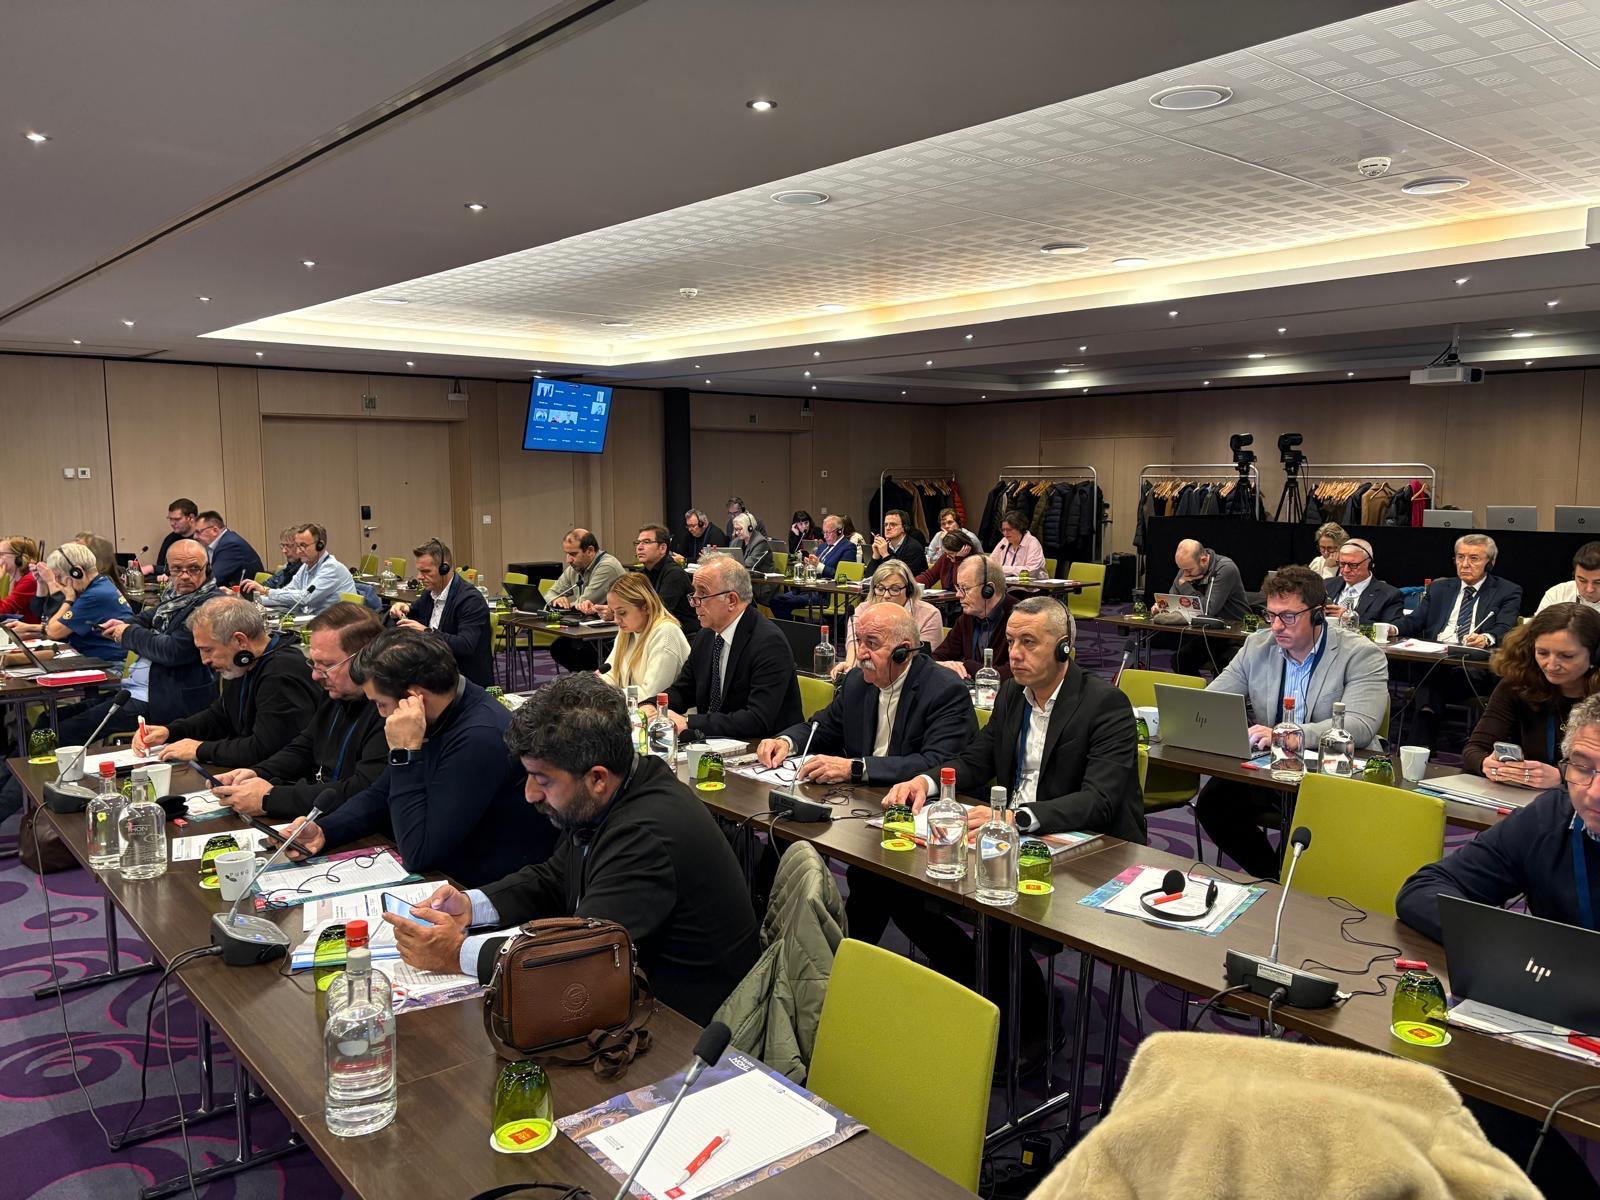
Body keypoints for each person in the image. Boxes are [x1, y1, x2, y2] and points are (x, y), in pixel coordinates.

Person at [381, 674, 760, 1024]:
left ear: (597, 778)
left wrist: (456, 952)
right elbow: (555, 877)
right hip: (633, 997)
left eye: (542, 779)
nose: (529, 794)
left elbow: (576, 959)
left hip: (684, 1027)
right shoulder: (616, 788)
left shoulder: (645, 836)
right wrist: (470, 905)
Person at [877, 598, 1144, 1050]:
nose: (1014, 654)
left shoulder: (1105, 704)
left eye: (1028, 643)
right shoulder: (1010, 695)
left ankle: (1031, 1030)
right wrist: (926, 781)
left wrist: (1016, 818)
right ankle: (985, 991)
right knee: (900, 884)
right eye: (1011, 641)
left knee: (998, 906)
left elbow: (1098, 801)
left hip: (1091, 849)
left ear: (1064, 648)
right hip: (1012, 836)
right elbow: (977, 760)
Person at [1395, 693, 1600, 1199]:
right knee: (1443, 1089)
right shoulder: (1551, 817)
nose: (1594, 792)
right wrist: (1505, 941)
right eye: (1583, 767)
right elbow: (1423, 890)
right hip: (1557, 1016)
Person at [283, 630, 556, 887]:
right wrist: (324, 830)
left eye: (381, 703)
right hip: (452, 869)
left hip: (483, 885)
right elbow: (380, 794)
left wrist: (404, 754)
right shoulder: (442, 710)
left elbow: (418, 853)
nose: (380, 714)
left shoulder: (480, 737)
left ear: (413, 698)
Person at [1194, 566, 1389, 879]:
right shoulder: (1257, 646)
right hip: (1274, 766)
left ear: (1317, 614)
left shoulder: (1361, 654)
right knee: (1213, 804)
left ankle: (1287, 882)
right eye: (1270, 615)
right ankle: (1273, 877)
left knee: (1304, 819)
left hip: (1333, 768)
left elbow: (1360, 726)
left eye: (1287, 616)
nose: (1275, 626)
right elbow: (1213, 700)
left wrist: (1288, 734)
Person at [758, 603, 975, 785]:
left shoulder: (944, 690)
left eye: (872, 643)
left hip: (920, 804)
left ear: (903, 652)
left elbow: (936, 763)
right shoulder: (857, 681)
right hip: (863, 797)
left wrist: (855, 768)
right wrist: (786, 742)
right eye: (859, 641)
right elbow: (822, 728)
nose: (861, 653)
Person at [212, 603, 387, 819]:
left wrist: (270, 798)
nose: (315, 675)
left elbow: (362, 790)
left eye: (327, 664)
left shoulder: (387, 710)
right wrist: (257, 772)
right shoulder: (338, 693)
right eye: (314, 663)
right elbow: (305, 745)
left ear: (364, 661)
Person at [136, 594, 321, 767]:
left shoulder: (280, 674)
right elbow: (220, 716)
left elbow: (265, 749)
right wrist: (170, 732)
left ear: (240, 641)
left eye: (208, 650)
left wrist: (200, 750)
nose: (204, 660)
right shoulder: (242, 663)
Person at [651, 555, 803, 741]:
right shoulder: (706, 635)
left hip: (766, 746)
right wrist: (652, 706)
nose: (693, 602)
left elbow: (757, 719)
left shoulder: (768, 643)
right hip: (719, 742)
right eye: (694, 593)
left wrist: (690, 722)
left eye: (702, 594)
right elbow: (684, 690)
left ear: (731, 600)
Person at [1395, 534, 1523, 748]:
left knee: (1430, 682)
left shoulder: (1507, 591)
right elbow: (1415, 621)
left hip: (1472, 667)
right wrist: (1393, 628)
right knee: (1431, 673)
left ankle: (1419, 741)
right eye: (1460, 557)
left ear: (1490, 563)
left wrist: (1486, 638)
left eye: (1474, 558)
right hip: (1434, 660)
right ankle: (1425, 739)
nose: (1465, 564)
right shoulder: (1439, 588)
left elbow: (1505, 627)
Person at [1462, 602, 1600, 785]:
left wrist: (1563, 776)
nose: (1551, 665)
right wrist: (1486, 764)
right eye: (1542, 653)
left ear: (1595, 655)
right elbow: (1474, 749)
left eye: (1566, 656)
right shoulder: (1519, 683)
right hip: (1526, 795)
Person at [387, 538, 492, 686]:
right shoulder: (430, 592)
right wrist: (402, 609)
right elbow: (415, 611)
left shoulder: (470, 600)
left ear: (444, 568)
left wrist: (427, 632)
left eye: (426, 571)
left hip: (462, 681)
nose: (419, 577)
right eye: (419, 571)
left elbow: (465, 645)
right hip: (433, 673)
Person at [11, 542, 129, 665]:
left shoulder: (94, 596)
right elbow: (61, 624)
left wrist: (69, 599)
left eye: (59, 576)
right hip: (98, 658)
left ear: (77, 572)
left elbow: (53, 632)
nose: (58, 582)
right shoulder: (99, 584)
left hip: (112, 664)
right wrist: (29, 628)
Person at [829, 560, 942, 681]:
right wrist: (849, 666)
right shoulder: (863, 610)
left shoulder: (929, 615)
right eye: (880, 588)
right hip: (868, 675)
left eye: (895, 589)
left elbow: (921, 661)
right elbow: (854, 645)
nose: (886, 595)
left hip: (910, 680)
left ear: (909, 590)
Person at [597, 571, 691, 698]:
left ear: (646, 607)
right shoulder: (627, 631)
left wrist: (606, 696)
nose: (616, 620)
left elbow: (651, 694)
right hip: (634, 707)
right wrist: (595, 688)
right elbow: (611, 673)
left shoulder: (666, 632)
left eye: (622, 612)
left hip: (663, 710)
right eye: (613, 612)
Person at [1164, 539, 1250, 676]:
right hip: (1210, 633)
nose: (1184, 574)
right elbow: (1172, 598)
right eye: (1181, 569)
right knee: (1180, 660)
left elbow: (1207, 610)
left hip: (1234, 634)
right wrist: (1162, 607)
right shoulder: (1187, 566)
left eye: (1188, 570)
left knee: (1223, 665)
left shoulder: (1225, 568)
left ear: (1203, 560)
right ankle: (1200, 690)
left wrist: (1185, 585)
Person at [548, 527, 627, 673]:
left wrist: (565, 605)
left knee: (564, 648)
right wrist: (557, 600)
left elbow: (584, 603)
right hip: (589, 627)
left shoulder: (607, 566)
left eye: (573, 554)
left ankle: (592, 680)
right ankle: (586, 680)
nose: (568, 560)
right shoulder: (575, 567)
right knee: (559, 647)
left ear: (590, 551)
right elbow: (550, 594)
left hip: (613, 632)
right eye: (567, 554)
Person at [241, 522, 352, 617]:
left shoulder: (332, 568)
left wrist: (266, 591)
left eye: (303, 546)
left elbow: (305, 598)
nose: (298, 551)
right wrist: (252, 601)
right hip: (315, 621)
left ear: (320, 546)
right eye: (297, 546)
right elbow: (287, 592)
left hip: (337, 626)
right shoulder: (306, 566)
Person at [933, 555, 1014, 681]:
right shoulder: (967, 618)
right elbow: (937, 657)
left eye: (965, 589)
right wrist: (946, 665)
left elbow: (1012, 673)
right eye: (958, 588)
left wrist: (966, 665)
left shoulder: (1018, 619)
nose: (958, 595)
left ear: (988, 590)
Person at [769, 514, 857, 621]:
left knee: (786, 604)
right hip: (809, 588)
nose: (825, 536)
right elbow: (813, 567)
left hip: (826, 594)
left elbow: (842, 577)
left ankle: (793, 628)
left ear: (839, 531)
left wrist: (818, 566)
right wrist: (809, 565)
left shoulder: (848, 547)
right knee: (775, 601)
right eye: (824, 532)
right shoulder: (823, 546)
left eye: (828, 532)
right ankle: (795, 627)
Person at [632, 523, 698, 633]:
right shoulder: (642, 574)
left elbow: (658, 611)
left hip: (681, 636)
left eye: (646, 542)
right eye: (638, 543)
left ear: (662, 548)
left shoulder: (674, 574)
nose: (639, 547)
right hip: (655, 631)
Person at [1323, 538, 1404, 626]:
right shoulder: (1325, 585)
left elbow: (1391, 628)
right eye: (1342, 564)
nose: (1346, 570)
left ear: (1369, 564)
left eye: (1353, 565)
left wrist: (1351, 618)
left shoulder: (1389, 595)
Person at [194, 509, 263, 587]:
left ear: (214, 531)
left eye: (198, 532)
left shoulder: (230, 545)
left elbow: (214, 579)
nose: (195, 536)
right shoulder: (216, 544)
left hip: (245, 592)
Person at [1536, 540, 1600, 614]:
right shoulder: (1557, 595)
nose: (1589, 589)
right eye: (1582, 581)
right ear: (1574, 575)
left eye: (1598, 582)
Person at [145, 498, 199, 579]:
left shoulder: (201, 539)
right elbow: (160, 566)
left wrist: (152, 568)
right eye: (170, 519)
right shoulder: (170, 539)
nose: (172, 523)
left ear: (191, 517)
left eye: (177, 519)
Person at [730, 513, 776, 602]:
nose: (737, 532)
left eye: (740, 529)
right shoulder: (736, 542)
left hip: (759, 587)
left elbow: (749, 565)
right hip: (743, 584)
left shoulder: (760, 542)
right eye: (736, 529)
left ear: (749, 528)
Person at [988, 509, 1045, 578]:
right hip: (1007, 582)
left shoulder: (1032, 543)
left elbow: (1031, 572)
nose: (1005, 533)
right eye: (1003, 530)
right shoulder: (1004, 541)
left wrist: (1002, 569)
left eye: (1009, 530)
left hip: (1029, 583)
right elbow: (990, 564)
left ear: (1020, 528)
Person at [867, 509, 926, 575]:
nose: (887, 528)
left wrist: (885, 555)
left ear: (904, 528)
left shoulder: (914, 548)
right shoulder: (884, 546)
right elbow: (869, 577)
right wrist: (876, 556)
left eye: (893, 524)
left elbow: (900, 576)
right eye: (885, 525)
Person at [0, 536, 42, 620]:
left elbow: (2, 611)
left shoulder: (30, 580)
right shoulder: (20, 579)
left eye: (1, 554)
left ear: (18, 557)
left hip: (31, 627)